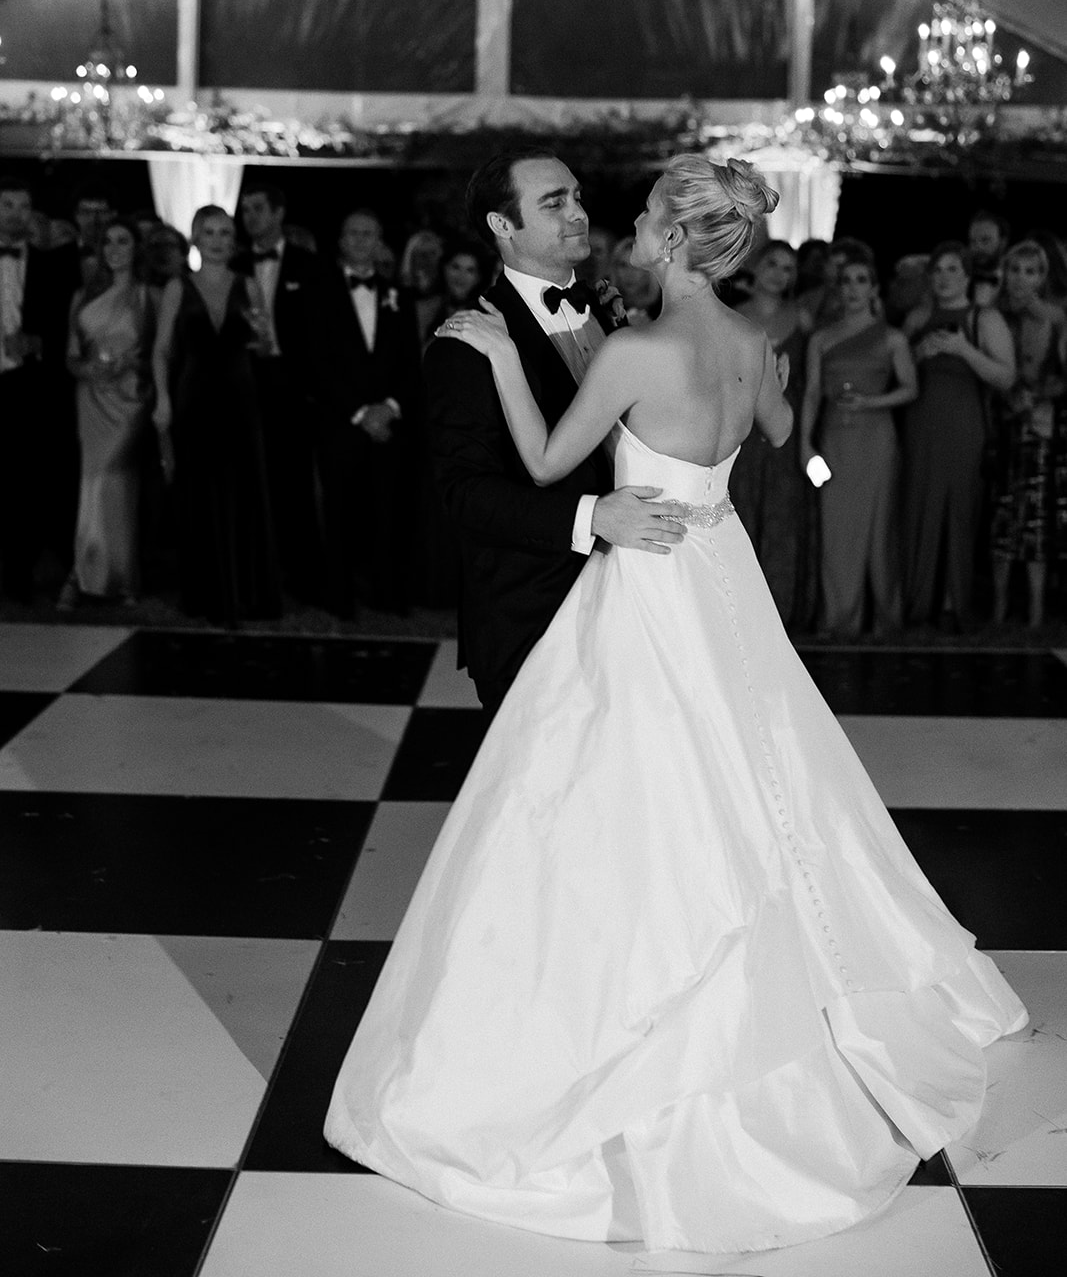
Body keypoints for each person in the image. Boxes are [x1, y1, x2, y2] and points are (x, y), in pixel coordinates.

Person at [325, 155, 1025, 1260]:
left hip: (644, 584)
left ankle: (617, 1007)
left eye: (641, 215)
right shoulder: (749, 343)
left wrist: (506, 359)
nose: (617, 224)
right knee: (751, 774)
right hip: (715, 569)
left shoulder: (636, 346)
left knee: (634, 790)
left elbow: (554, 454)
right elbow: (781, 432)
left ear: (673, 240)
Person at [413, 149, 688, 715]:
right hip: (530, 609)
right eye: (554, 203)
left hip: (636, 596)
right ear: (503, 226)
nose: (578, 214)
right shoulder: (468, 343)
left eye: (578, 197)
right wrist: (593, 517)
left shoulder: (608, 316)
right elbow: (464, 494)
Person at [152, 205, 281, 624]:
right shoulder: (177, 287)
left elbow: (266, 349)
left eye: (225, 232)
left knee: (245, 494)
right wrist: (163, 400)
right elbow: (161, 349)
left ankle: (246, 594)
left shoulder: (249, 284)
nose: (218, 240)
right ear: (195, 238)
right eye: (209, 232)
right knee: (200, 495)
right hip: (194, 398)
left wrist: (263, 337)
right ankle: (208, 594)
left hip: (241, 399)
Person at [314, 209, 422, 618]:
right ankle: (339, 596)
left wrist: (389, 408)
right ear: (341, 241)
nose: (361, 240)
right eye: (353, 233)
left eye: (369, 233)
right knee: (339, 511)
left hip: (389, 423)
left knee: (388, 510)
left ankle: (388, 593)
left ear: (379, 242)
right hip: (340, 421)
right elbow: (316, 362)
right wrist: (360, 412)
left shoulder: (400, 295)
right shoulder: (319, 294)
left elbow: (412, 362)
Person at [801, 257, 917, 637]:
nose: (852, 288)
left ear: (874, 289)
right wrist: (805, 442)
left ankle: (886, 618)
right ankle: (839, 619)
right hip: (834, 437)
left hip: (877, 439)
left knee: (881, 529)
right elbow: (813, 392)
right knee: (836, 530)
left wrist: (871, 403)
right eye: (846, 280)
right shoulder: (821, 337)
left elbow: (910, 389)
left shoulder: (893, 337)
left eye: (861, 280)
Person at [902, 242, 1015, 627]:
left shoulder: (985, 318)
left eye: (952, 269)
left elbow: (1006, 377)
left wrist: (963, 349)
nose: (944, 277)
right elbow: (897, 376)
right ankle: (920, 602)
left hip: (964, 427)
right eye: (938, 270)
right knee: (920, 507)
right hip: (921, 426)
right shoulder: (918, 317)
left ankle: (954, 603)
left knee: (960, 509)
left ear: (966, 275)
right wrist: (918, 356)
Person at [235, 180, 326, 604]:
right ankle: (252, 575)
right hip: (243, 386)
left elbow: (319, 336)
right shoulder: (231, 264)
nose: (249, 217)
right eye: (245, 209)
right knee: (249, 483)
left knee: (294, 487)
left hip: (292, 391)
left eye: (257, 208)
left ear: (277, 212)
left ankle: (303, 578)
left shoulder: (311, 266)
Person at [59, 220, 153, 609]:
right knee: (92, 483)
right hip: (91, 398)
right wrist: (85, 370)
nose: (114, 249)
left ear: (136, 248)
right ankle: (85, 574)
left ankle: (120, 576)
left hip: (130, 400)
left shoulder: (149, 295)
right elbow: (70, 354)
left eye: (123, 241)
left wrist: (130, 367)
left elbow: (160, 351)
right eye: (107, 243)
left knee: (118, 483)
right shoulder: (82, 295)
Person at [0, 176, 80, 601]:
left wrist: (40, 344)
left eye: (21, 206)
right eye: (7, 205)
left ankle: (19, 575)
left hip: (27, 388)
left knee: (24, 483)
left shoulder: (51, 266)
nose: (15, 214)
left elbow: (60, 327)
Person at [730, 240, 816, 629]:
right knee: (743, 513)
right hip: (744, 433)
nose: (780, 274)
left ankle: (781, 617)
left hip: (785, 428)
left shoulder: (802, 318)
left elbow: (813, 384)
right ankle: (741, 617)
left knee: (783, 517)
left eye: (788, 268)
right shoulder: (733, 317)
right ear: (757, 266)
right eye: (773, 264)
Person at [990, 240, 1067, 627]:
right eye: (1016, 269)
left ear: (1043, 275)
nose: (1022, 279)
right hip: (997, 425)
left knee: (1036, 516)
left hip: (1039, 425)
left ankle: (1035, 613)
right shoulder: (993, 312)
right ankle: (999, 610)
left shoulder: (1056, 317)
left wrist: (1035, 395)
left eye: (1031, 271)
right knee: (1000, 514)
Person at [398, 229, 445, 346]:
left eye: (432, 254)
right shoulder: (397, 294)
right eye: (422, 255)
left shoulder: (447, 295)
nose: (427, 260)